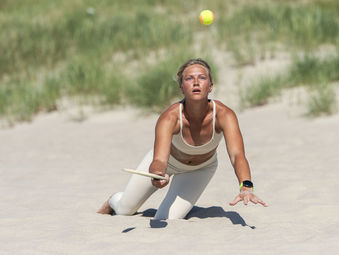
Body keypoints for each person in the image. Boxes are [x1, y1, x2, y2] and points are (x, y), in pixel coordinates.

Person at [97, 58, 266, 219]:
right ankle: (114, 199)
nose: (196, 82)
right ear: (181, 88)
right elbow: (159, 159)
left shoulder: (224, 115)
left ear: (211, 86)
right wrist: (157, 174)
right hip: (168, 162)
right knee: (125, 210)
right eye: (189, 78)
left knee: (166, 218)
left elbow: (237, 155)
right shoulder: (170, 118)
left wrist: (246, 186)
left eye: (202, 78)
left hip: (200, 169)